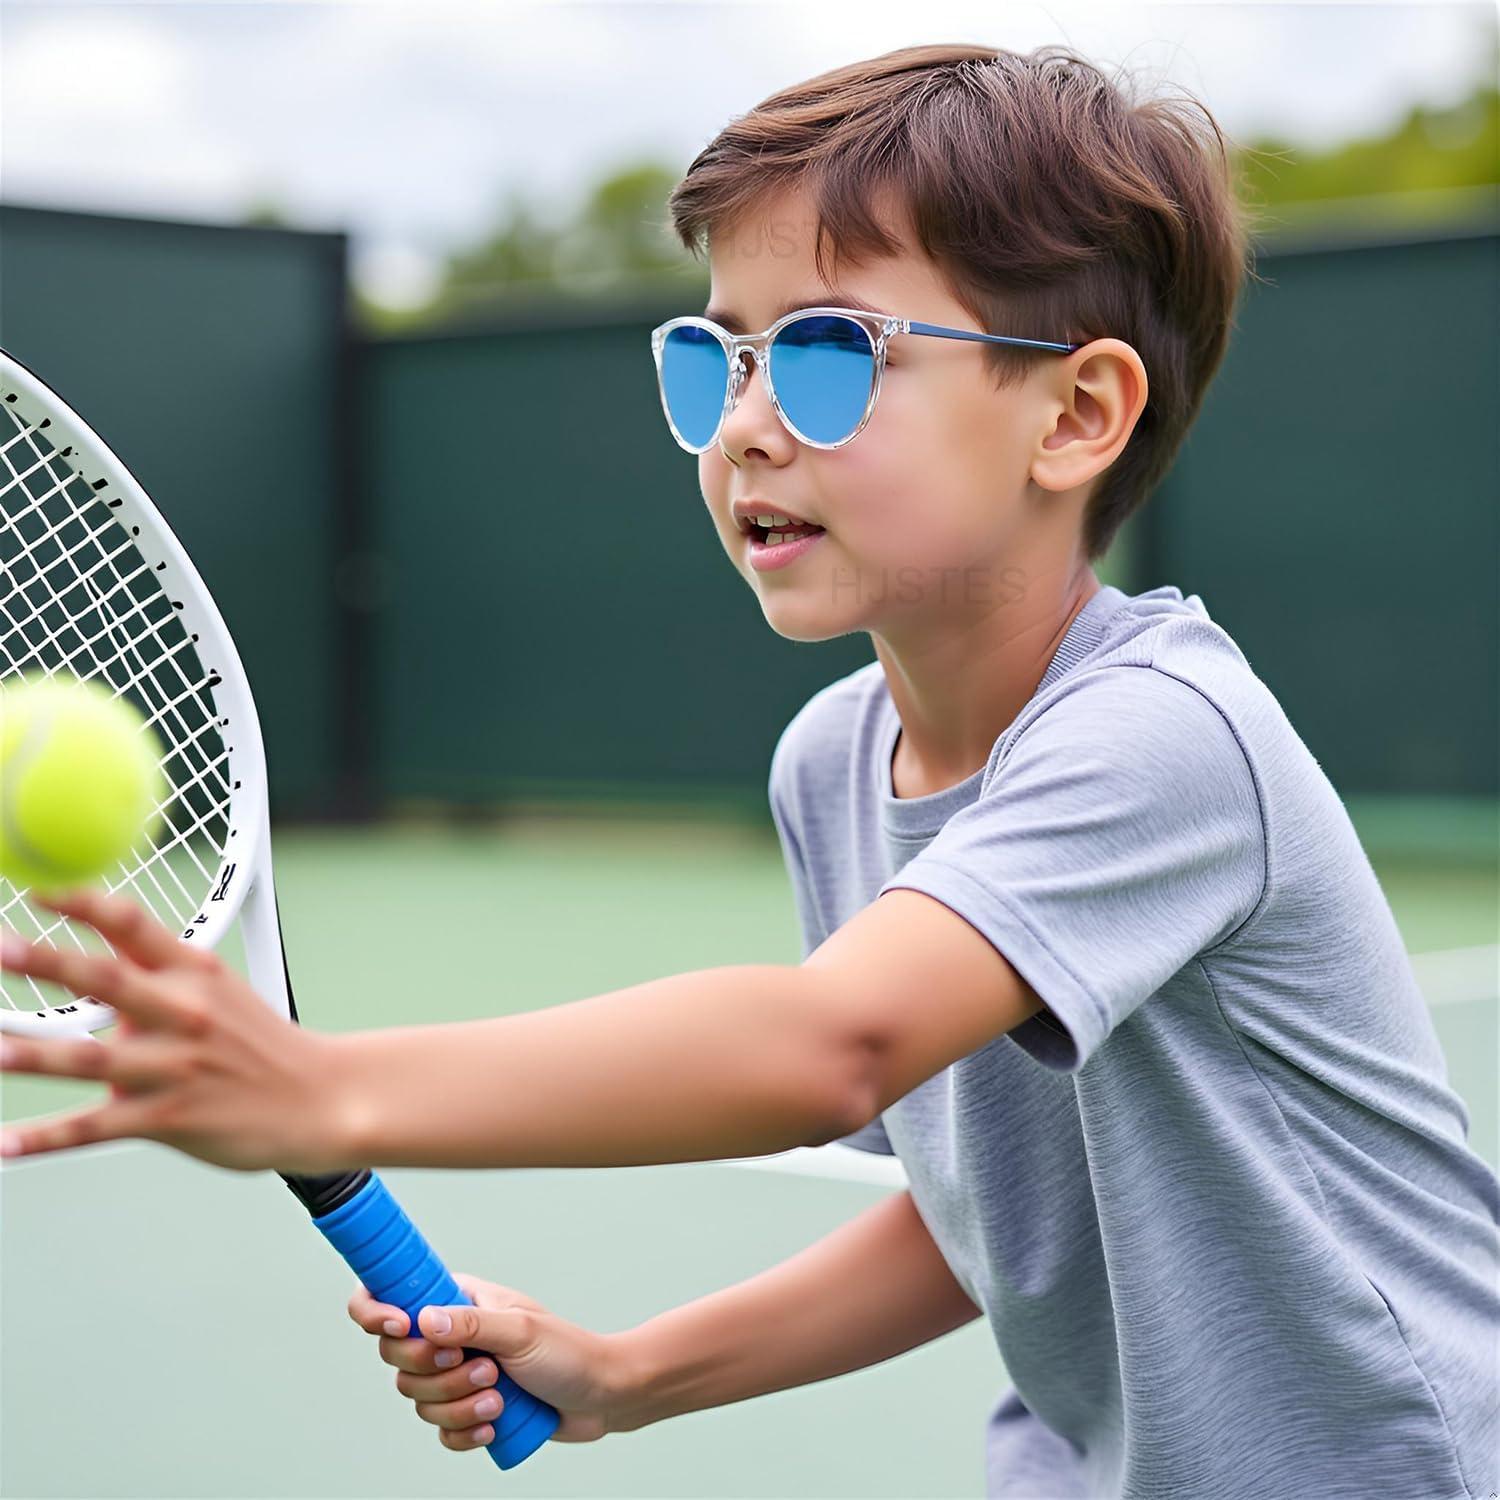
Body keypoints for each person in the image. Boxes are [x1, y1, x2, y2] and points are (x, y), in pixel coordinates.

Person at [3, 42, 1496, 1499]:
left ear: (1074, 415)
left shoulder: (1165, 736)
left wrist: (322, 1092)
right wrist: (633, 1372)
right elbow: (991, 1218)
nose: (746, 428)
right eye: (716, 358)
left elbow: (826, 1050)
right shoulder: (833, 762)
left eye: (832, 355)